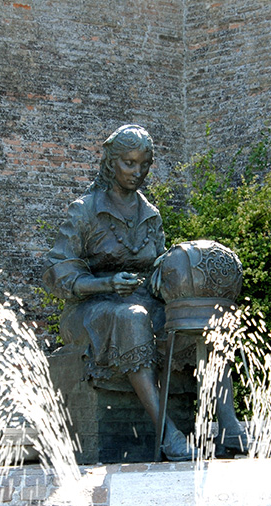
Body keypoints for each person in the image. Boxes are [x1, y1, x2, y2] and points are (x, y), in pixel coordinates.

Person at [44, 124, 246, 460]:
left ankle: (228, 424)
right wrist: (106, 283)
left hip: (140, 299)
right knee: (133, 318)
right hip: (89, 309)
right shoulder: (85, 209)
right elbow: (57, 275)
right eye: (129, 163)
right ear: (111, 163)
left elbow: (157, 263)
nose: (137, 172)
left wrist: (163, 272)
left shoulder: (149, 213)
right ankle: (166, 434)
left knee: (201, 319)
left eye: (143, 165)